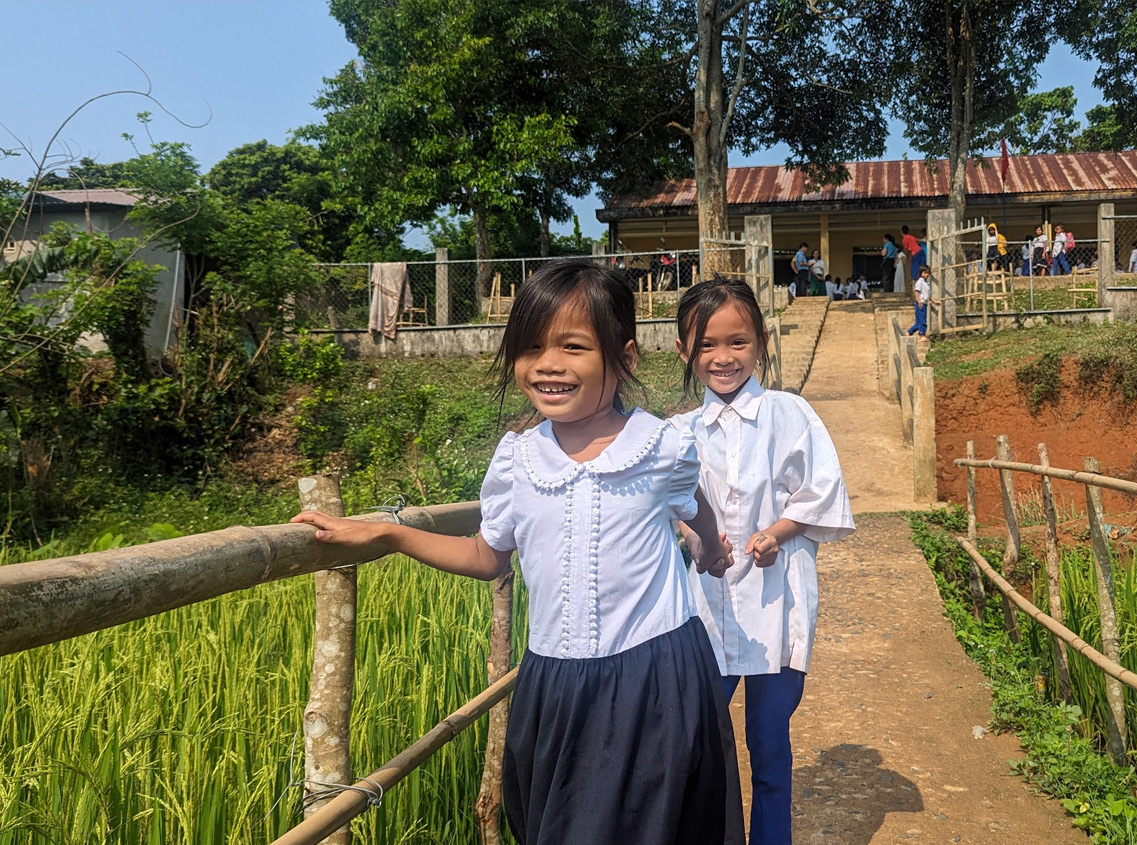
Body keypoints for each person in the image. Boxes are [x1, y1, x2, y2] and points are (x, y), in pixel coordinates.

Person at [292, 260, 745, 845]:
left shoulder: (661, 446)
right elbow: (488, 557)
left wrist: (708, 547)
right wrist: (390, 534)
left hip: (656, 677)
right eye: (531, 347)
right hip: (554, 685)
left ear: (625, 358)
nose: (547, 364)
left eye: (573, 346)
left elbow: (695, 504)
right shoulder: (518, 459)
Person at [673, 279, 854, 845]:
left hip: (778, 599)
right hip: (704, 606)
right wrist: (697, 540)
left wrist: (776, 533)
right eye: (706, 344)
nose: (722, 357)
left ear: (762, 343)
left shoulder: (789, 414)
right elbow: (671, 508)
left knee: (769, 744)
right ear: (683, 349)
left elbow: (820, 492)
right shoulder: (677, 433)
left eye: (738, 342)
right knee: (698, 742)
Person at [907, 264, 933, 338]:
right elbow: (916, 292)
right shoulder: (920, 282)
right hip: (920, 304)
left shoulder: (926, 283)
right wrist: (919, 301)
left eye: (928, 273)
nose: (926, 275)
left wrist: (934, 301)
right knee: (922, 321)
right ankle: (922, 335)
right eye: (925, 273)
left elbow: (928, 295)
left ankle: (909, 332)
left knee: (918, 322)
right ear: (921, 273)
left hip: (924, 303)